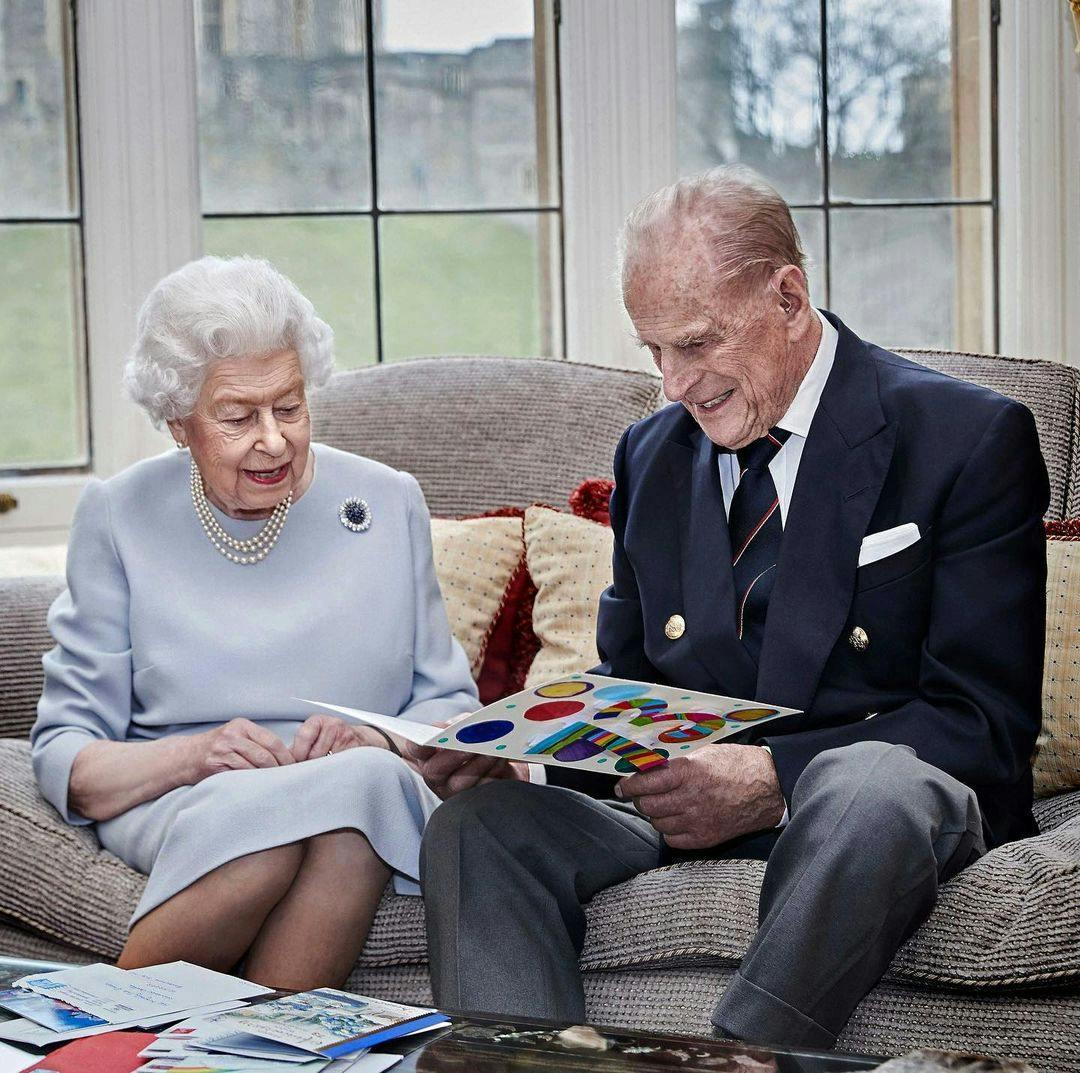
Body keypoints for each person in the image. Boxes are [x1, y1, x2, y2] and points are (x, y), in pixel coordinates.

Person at [415, 166, 1048, 1048]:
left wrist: (773, 781)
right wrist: (529, 756)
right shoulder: (653, 453)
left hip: (862, 820)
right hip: (677, 813)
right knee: (480, 827)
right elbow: (630, 683)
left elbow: (983, 724)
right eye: (655, 352)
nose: (675, 383)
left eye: (698, 343)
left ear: (789, 296)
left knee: (871, 784)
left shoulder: (965, 439)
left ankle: (736, 1061)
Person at [30, 255, 492, 990]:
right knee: (284, 834)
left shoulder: (387, 501)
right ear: (179, 424)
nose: (273, 439)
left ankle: (95, 1038)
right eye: (239, 416)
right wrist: (197, 755)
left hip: (355, 785)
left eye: (290, 406)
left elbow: (449, 709)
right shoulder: (119, 515)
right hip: (179, 793)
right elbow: (66, 754)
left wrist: (372, 736)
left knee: (355, 803)